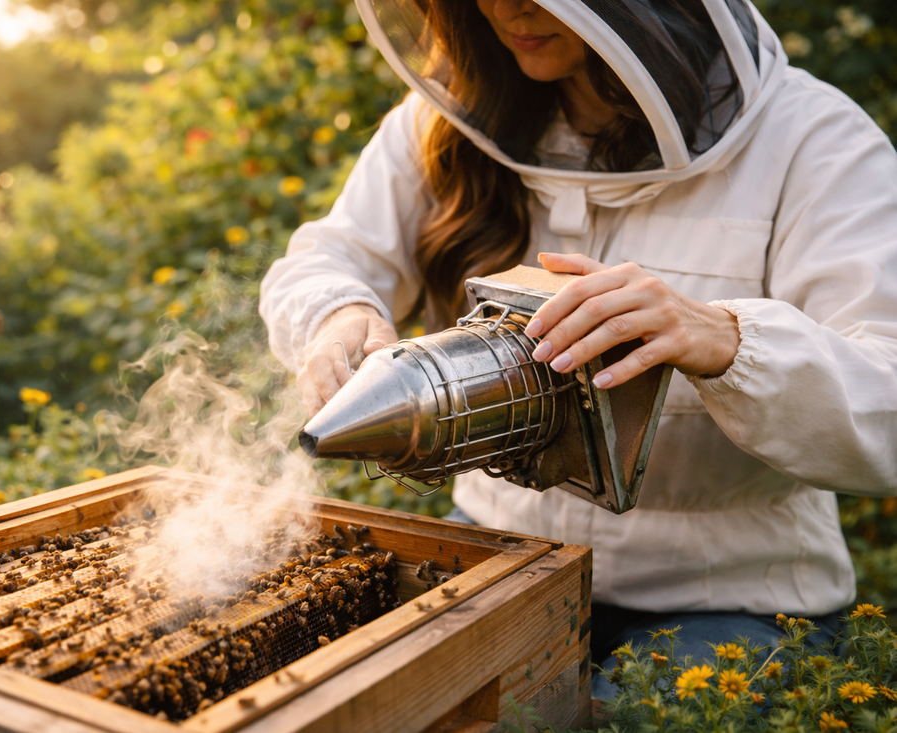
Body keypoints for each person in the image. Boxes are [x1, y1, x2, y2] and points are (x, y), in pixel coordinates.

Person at [259, 0, 897, 698]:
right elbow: (329, 255)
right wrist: (337, 312)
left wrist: (725, 337)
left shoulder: (814, 140)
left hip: (733, 594)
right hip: (506, 543)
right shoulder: (447, 119)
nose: (507, 10)